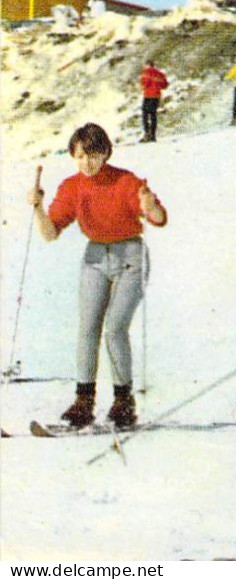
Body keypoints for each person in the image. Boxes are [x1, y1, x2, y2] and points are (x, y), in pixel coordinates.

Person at [28, 122, 168, 429]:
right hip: (94, 258)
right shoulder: (72, 187)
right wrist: (38, 209)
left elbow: (158, 218)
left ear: (105, 153)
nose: (86, 163)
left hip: (130, 257)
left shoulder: (126, 181)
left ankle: (123, 402)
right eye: (79, 156)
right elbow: (50, 233)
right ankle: (83, 402)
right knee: (88, 328)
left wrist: (149, 206)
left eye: (92, 155)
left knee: (115, 328)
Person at [138, 60, 169, 143]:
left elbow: (145, 83)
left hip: (148, 95)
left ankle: (147, 134)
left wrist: (143, 86)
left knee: (145, 114)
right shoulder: (160, 73)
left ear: (147, 65)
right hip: (156, 96)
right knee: (153, 115)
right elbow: (165, 85)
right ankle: (153, 136)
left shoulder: (146, 72)